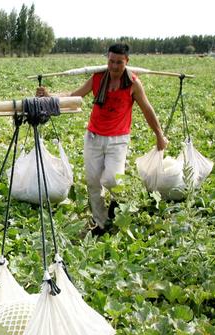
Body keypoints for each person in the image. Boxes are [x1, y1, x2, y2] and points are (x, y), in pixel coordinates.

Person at [36, 43, 168, 236]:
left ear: (127, 62)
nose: (114, 67)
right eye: (111, 61)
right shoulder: (98, 78)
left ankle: (116, 204)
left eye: (119, 63)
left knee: (112, 179)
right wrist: (49, 96)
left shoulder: (133, 83)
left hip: (118, 140)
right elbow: (74, 96)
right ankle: (101, 223)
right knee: (93, 183)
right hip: (94, 138)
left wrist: (159, 135)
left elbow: (147, 109)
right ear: (107, 59)